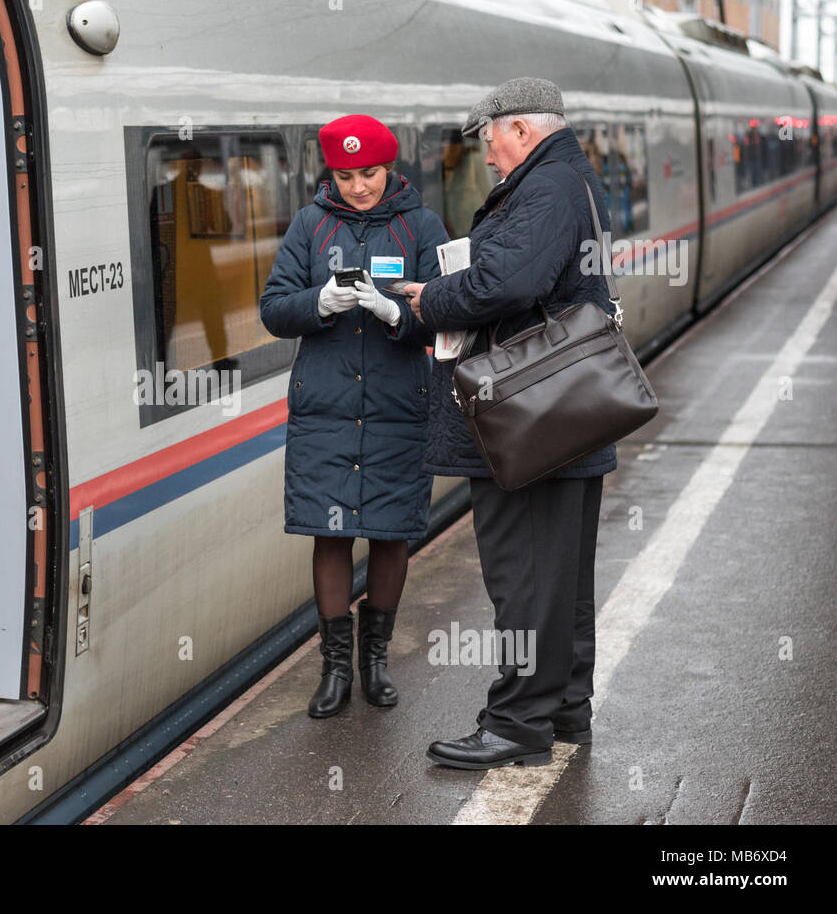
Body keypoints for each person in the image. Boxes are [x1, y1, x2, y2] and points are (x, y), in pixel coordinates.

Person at [396, 77, 617, 768]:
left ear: (518, 128)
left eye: (489, 138)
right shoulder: (568, 179)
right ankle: (564, 707)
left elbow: (506, 285)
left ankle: (517, 723)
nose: (487, 155)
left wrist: (431, 298)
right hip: (562, 411)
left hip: (530, 417)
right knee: (559, 577)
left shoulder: (545, 189)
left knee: (523, 574)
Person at [260, 114, 448, 718]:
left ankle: (376, 662)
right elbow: (273, 308)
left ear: (389, 167)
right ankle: (336, 669)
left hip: (399, 408)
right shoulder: (310, 226)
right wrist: (319, 301)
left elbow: (450, 310)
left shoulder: (420, 227)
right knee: (331, 533)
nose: (358, 187)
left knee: (393, 533)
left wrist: (396, 316)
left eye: (368, 173)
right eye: (345, 175)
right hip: (327, 411)